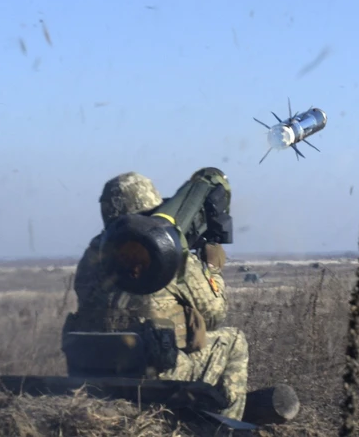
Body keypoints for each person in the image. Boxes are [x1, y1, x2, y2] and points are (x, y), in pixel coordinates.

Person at [62, 171, 249, 420]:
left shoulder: (92, 255)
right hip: (156, 375)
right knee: (235, 341)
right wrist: (211, 268)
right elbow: (215, 314)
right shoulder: (164, 251)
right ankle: (221, 428)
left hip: (93, 372)